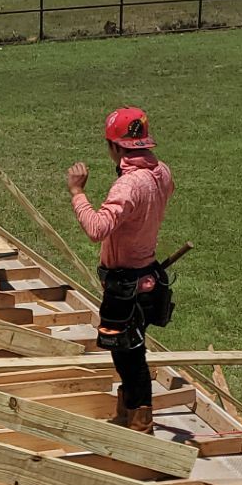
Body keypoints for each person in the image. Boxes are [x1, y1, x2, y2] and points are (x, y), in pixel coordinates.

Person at [66, 107, 175, 434]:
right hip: (147, 276)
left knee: (130, 355)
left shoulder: (129, 185)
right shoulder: (162, 172)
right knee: (129, 351)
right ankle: (130, 414)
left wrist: (77, 193)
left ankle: (141, 422)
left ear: (115, 147)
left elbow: (97, 228)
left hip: (126, 283)